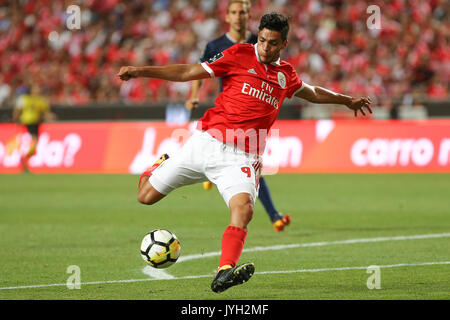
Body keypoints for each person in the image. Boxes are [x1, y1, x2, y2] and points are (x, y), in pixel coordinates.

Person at [118, 12, 372, 293]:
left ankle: (224, 272)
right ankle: (161, 163)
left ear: (283, 44)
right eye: (262, 40)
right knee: (145, 197)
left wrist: (347, 100)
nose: (264, 47)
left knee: (244, 210)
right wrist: (141, 71)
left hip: (240, 158)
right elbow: (189, 72)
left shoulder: (285, 75)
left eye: (272, 43)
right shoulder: (238, 53)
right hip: (206, 143)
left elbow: (311, 92)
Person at [186, 0, 291, 233]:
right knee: (247, 167)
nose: (239, 17)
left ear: (248, 15)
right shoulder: (216, 45)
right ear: (227, 16)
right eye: (234, 12)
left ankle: (273, 213)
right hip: (227, 115)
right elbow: (200, 71)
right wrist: (193, 95)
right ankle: (273, 213)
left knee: (253, 168)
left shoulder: (259, 42)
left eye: (243, 12)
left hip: (252, 116)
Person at [12, 83, 56, 169]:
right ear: (31, 90)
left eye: (38, 88)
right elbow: (17, 110)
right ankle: (24, 158)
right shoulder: (24, 99)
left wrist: (50, 116)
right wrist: (16, 120)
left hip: (36, 123)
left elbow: (44, 112)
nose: (37, 90)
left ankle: (25, 159)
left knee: (34, 144)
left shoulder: (41, 100)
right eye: (35, 88)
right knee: (32, 142)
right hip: (26, 122)